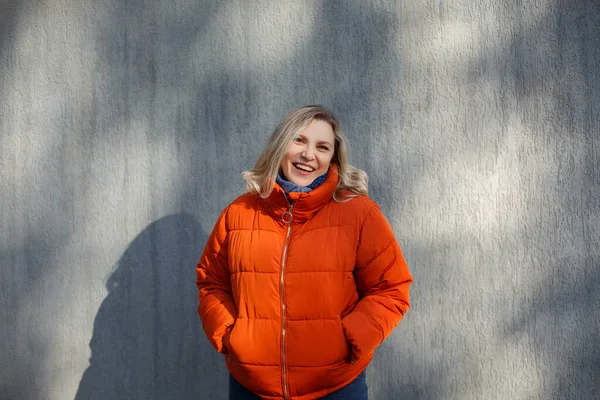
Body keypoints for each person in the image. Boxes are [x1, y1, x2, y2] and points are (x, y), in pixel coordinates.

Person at [196, 105, 413, 399]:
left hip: (336, 385)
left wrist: (350, 339)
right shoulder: (238, 213)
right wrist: (230, 334)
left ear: (332, 158)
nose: (308, 154)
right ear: (280, 145)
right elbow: (211, 282)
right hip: (252, 387)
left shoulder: (359, 214)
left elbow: (391, 287)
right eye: (299, 140)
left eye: (322, 147)